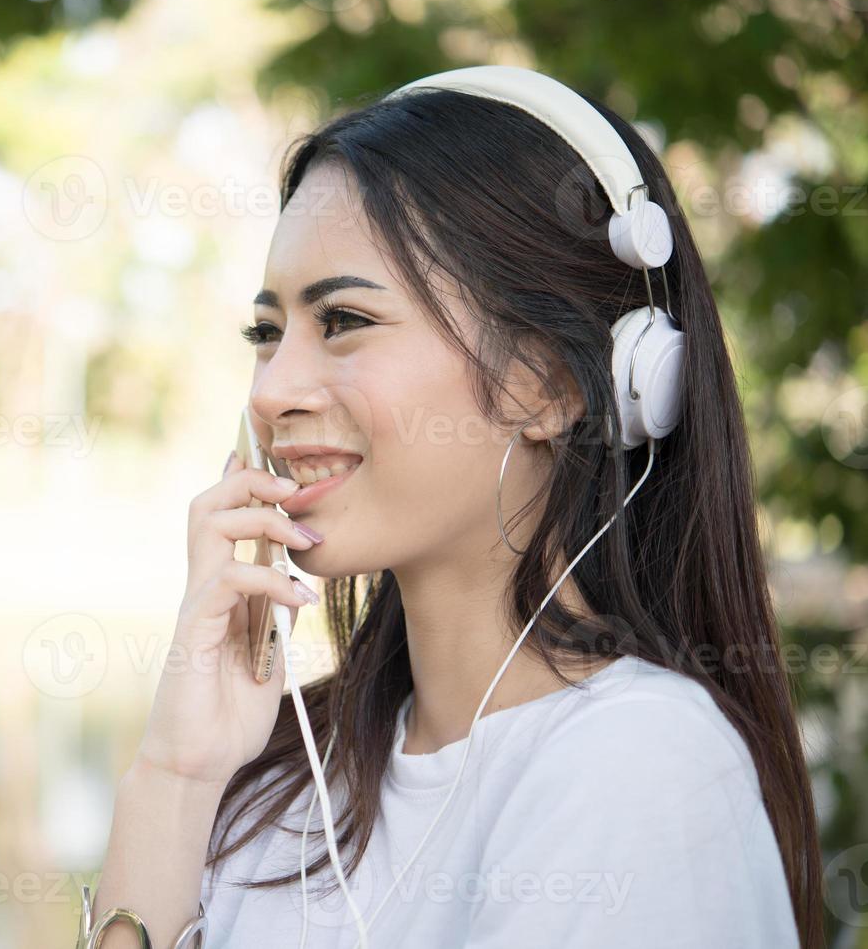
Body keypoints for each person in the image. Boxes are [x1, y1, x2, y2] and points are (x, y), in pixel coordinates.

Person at [87, 67, 822, 949]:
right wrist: (173, 774)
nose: (271, 390)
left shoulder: (638, 763)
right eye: (266, 334)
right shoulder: (262, 785)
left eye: (345, 321)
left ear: (547, 383)